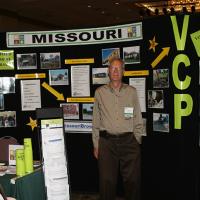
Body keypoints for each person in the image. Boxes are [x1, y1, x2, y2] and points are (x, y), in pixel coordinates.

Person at [92, 57, 143, 200]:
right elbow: (96, 120)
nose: (115, 71)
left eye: (119, 68)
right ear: (108, 71)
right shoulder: (99, 92)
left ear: (123, 71)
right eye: (113, 68)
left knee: (133, 182)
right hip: (107, 144)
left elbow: (137, 116)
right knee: (106, 182)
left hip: (129, 142)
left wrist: (137, 139)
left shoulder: (131, 92)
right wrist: (96, 144)